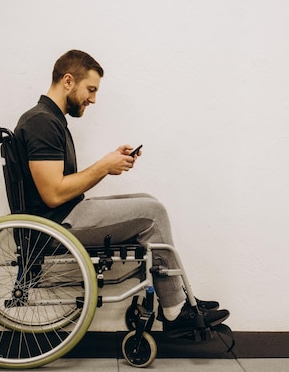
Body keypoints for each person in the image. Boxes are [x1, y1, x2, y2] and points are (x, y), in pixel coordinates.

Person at [14, 49, 229, 333]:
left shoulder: (49, 119)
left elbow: (59, 187)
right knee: (153, 213)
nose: (93, 98)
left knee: (148, 202)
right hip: (56, 224)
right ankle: (175, 310)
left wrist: (109, 162)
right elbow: (53, 195)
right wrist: (104, 166)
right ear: (68, 81)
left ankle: (178, 299)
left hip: (63, 215)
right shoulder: (41, 122)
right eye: (90, 89)